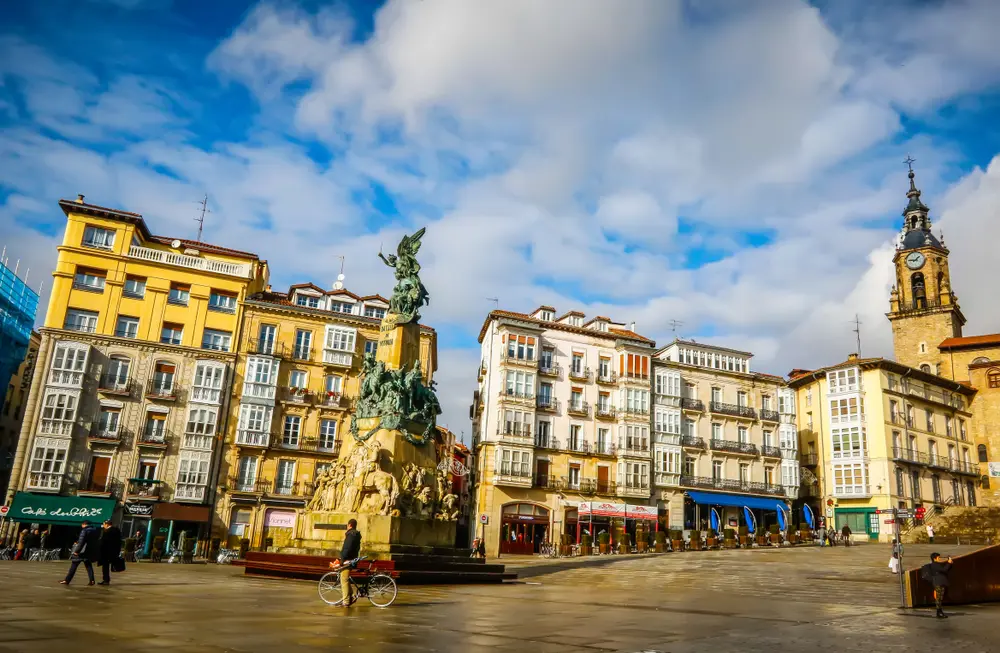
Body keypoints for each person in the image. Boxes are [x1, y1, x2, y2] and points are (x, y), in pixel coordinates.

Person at [328, 519, 362, 608]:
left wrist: (342, 559)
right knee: (345, 579)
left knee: (344, 579)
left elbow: (346, 548)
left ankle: (346, 601)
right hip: (352, 558)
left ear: (349, 525)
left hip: (348, 560)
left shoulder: (350, 535)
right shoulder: (356, 535)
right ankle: (349, 597)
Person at [61, 520, 101, 586]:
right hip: (89, 551)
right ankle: (92, 580)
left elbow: (81, 542)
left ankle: (67, 580)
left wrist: (77, 551)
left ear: (84, 524)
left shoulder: (84, 531)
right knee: (88, 566)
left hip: (82, 551)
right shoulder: (95, 531)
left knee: (74, 565)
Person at [927, 552, 953, 618]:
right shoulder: (935, 565)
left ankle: (939, 611)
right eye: (938, 557)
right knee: (938, 598)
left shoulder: (937, 564)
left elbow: (945, 570)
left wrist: (949, 563)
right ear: (934, 558)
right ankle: (939, 612)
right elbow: (944, 569)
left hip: (941, 583)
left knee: (940, 598)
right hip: (938, 583)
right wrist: (949, 563)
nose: (939, 559)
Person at [98, 520, 123, 585]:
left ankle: (106, 580)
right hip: (114, 552)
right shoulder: (117, 531)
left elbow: (103, 542)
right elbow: (119, 542)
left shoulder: (107, 532)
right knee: (107, 565)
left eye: (104, 524)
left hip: (106, 552)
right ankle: (106, 579)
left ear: (107, 524)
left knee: (105, 566)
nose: (103, 526)